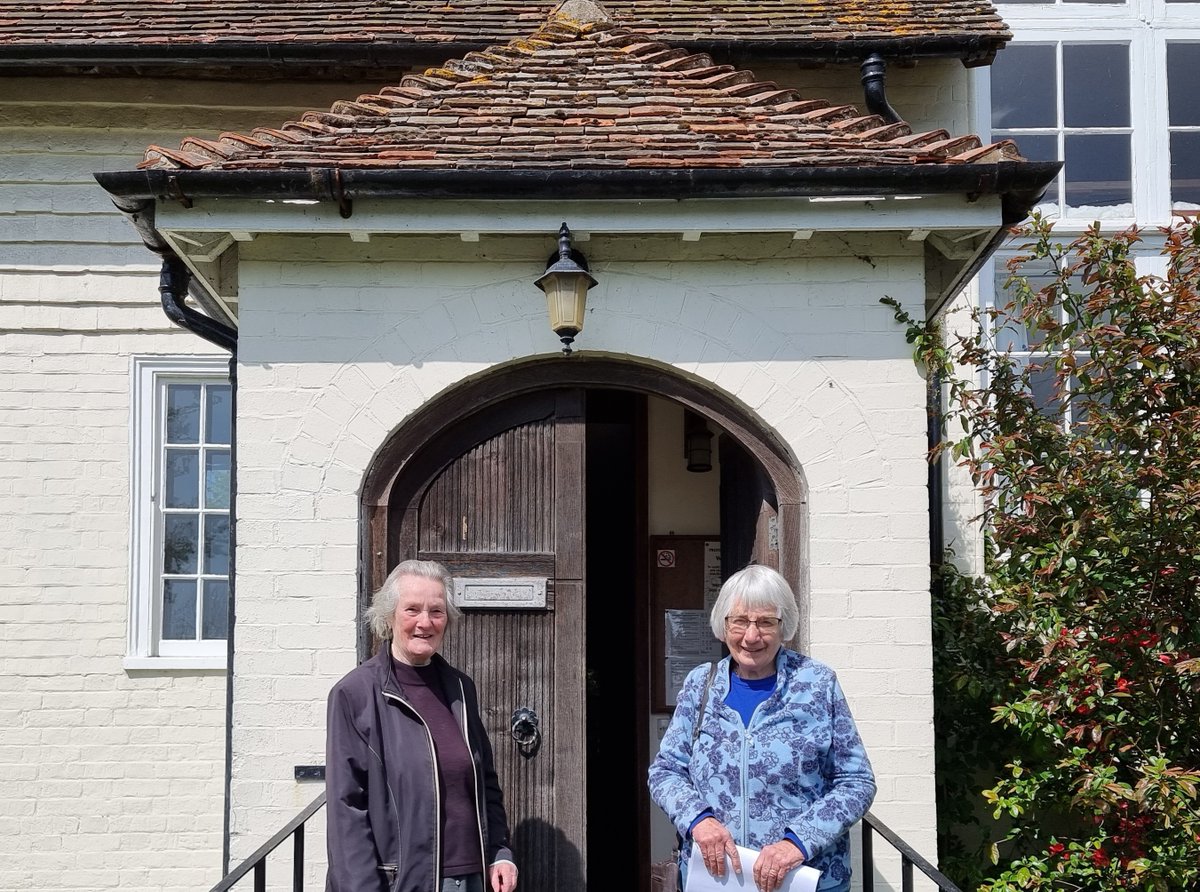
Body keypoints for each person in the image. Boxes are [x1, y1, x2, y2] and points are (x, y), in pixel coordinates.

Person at [648, 565, 875, 892]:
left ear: (784, 627)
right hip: (715, 879)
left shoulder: (816, 684)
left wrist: (797, 842)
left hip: (803, 879)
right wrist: (699, 821)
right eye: (740, 621)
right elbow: (666, 770)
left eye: (766, 622)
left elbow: (856, 781)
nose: (751, 636)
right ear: (724, 625)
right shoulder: (701, 684)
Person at [326, 559, 519, 892]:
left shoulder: (460, 688)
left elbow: (485, 782)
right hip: (400, 882)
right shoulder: (355, 694)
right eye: (412, 610)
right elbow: (347, 809)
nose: (425, 622)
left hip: (471, 878)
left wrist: (500, 852)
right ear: (389, 616)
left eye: (436, 611)